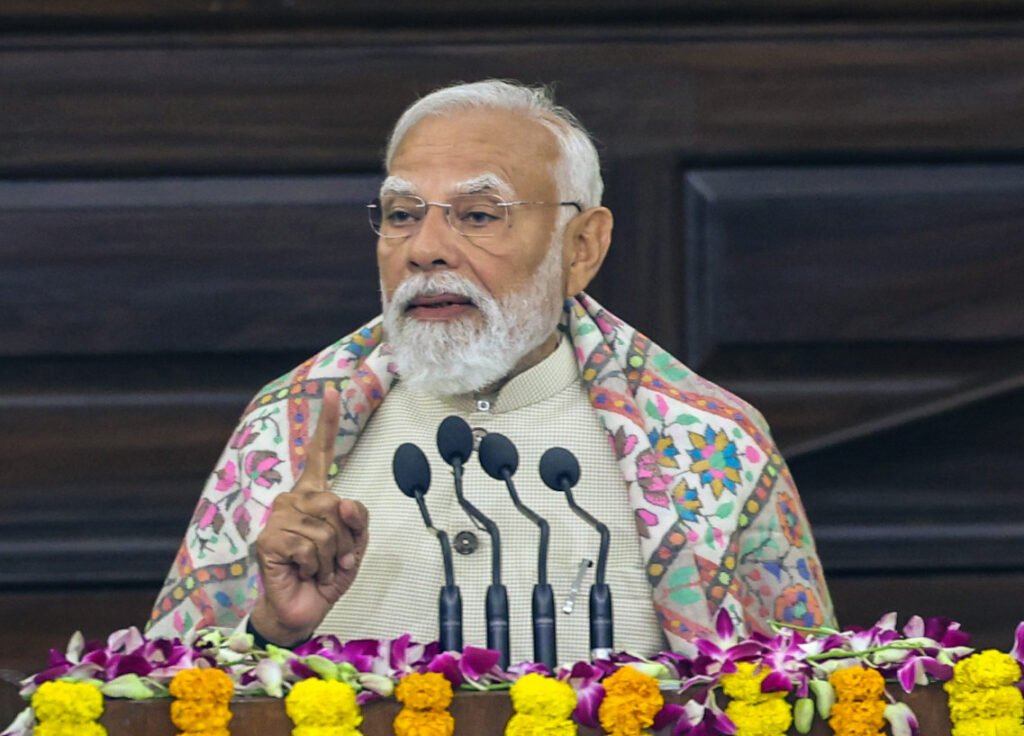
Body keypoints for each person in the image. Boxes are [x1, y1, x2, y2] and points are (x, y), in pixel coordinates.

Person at [148, 80, 834, 662]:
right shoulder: (286, 430)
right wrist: (271, 635)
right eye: (401, 215)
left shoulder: (711, 442)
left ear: (583, 245)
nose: (426, 249)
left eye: (478, 215)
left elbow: (805, 695)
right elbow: (158, 700)